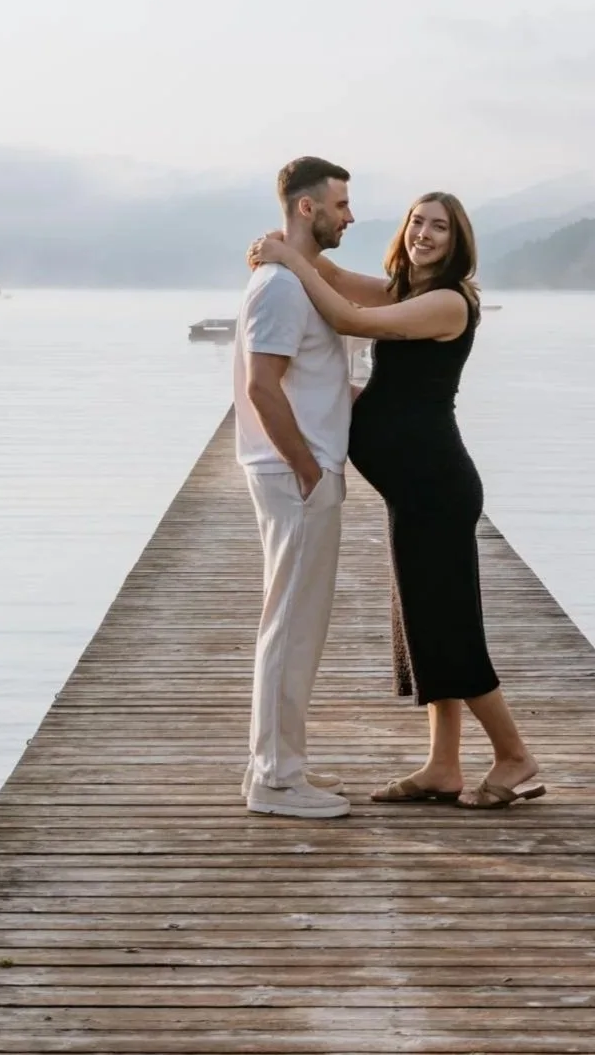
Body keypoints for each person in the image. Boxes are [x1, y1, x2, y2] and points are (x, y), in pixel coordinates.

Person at [250, 192, 543, 810]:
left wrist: (290, 261)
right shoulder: (408, 289)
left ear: (458, 240)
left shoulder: (445, 302)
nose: (424, 234)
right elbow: (332, 277)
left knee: (452, 629)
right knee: (423, 625)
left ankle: (515, 757)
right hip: (411, 490)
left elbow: (350, 318)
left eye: (439, 227)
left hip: (436, 487)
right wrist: (280, 250)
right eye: (417, 222)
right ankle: (442, 767)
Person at [234, 156, 358, 820]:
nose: (350, 215)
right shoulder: (282, 286)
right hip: (294, 475)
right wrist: (309, 469)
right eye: (341, 203)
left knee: (289, 625)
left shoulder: (290, 280)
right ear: (306, 209)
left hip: (291, 470)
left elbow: (300, 377)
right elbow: (261, 386)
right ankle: (278, 779)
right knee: (291, 628)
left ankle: (272, 764)